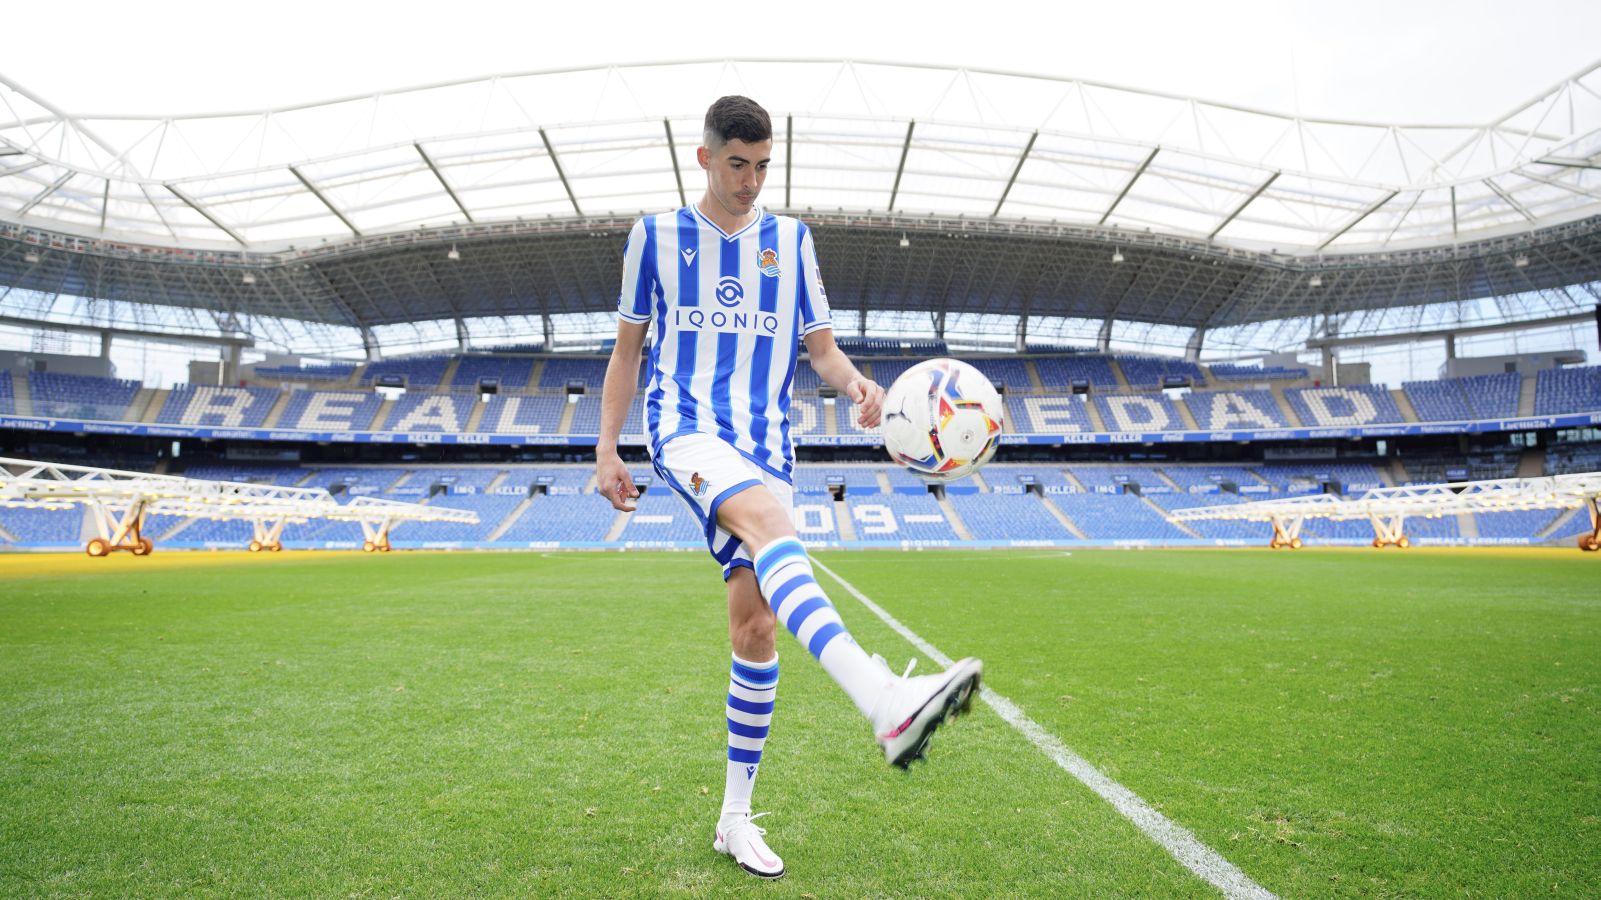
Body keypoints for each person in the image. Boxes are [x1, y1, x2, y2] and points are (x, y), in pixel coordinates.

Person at [594, 95, 983, 881]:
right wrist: (606, 446)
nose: (750, 180)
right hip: (687, 426)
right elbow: (627, 352)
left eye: (764, 165)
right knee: (771, 525)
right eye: (737, 164)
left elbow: (823, 350)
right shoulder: (656, 237)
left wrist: (856, 388)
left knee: (755, 632)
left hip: (767, 444)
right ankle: (880, 698)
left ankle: (733, 816)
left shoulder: (791, 241)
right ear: (704, 158)